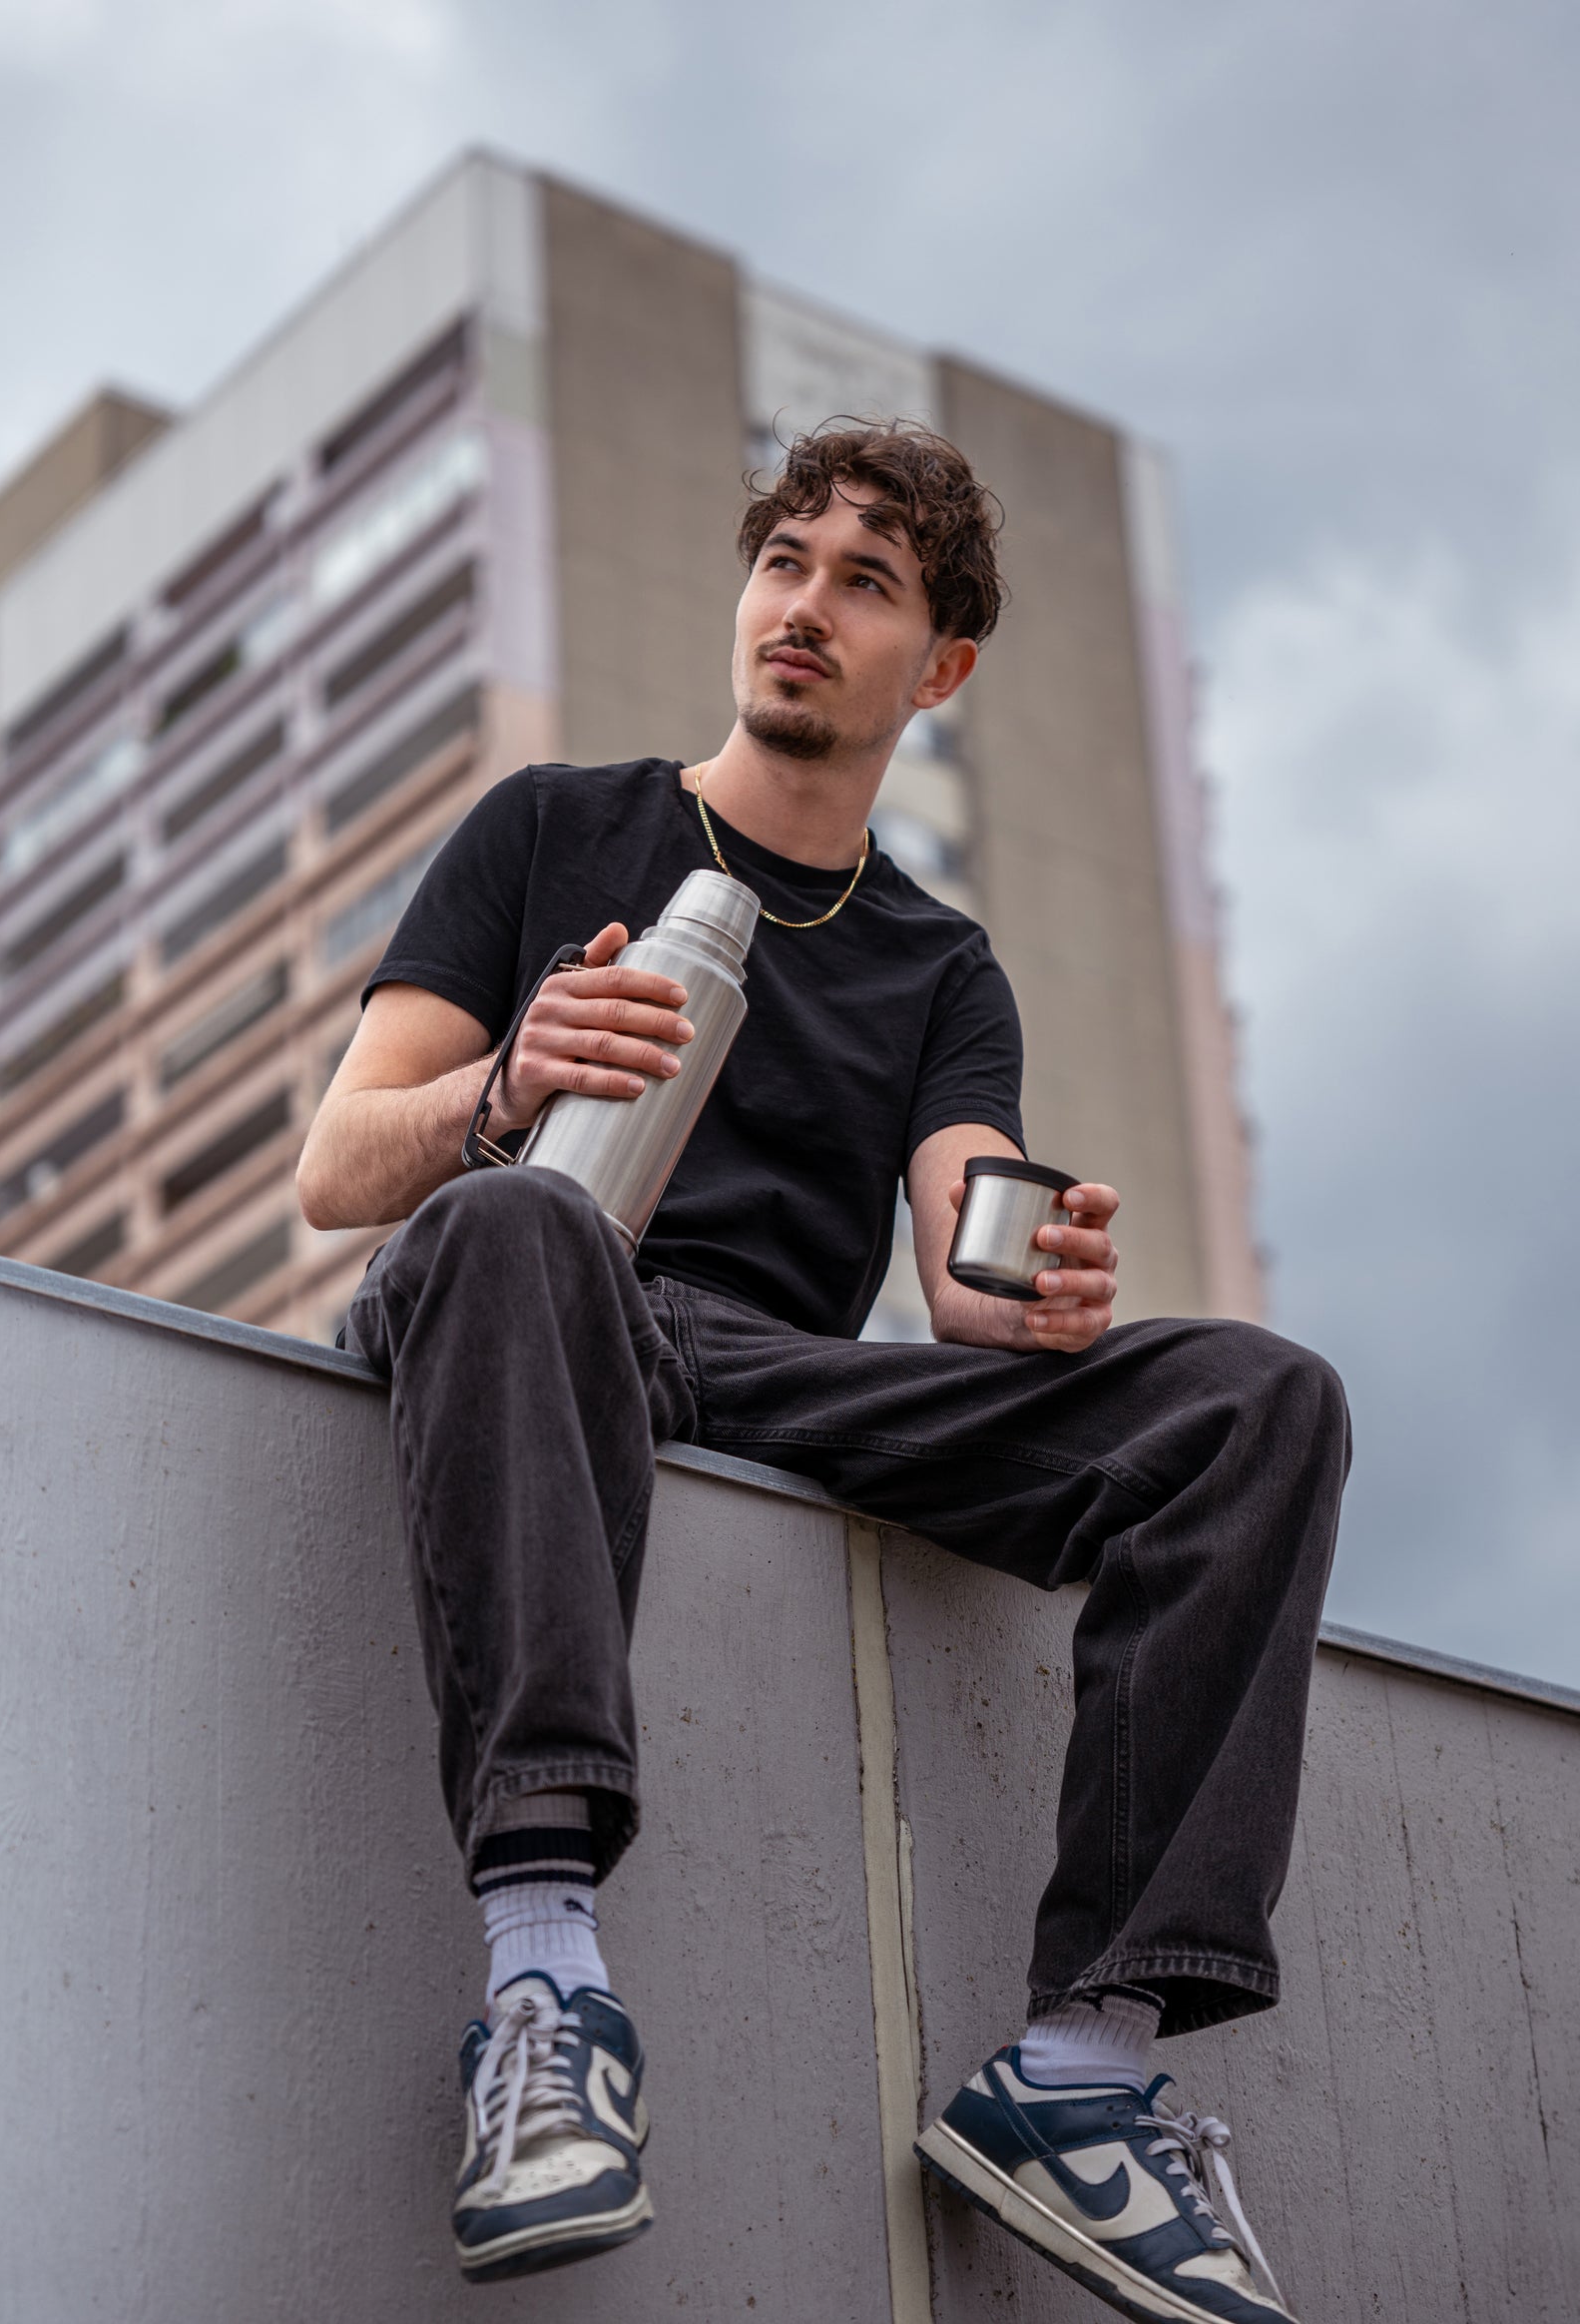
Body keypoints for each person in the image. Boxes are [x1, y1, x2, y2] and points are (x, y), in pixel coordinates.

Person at [295, 422, 1347, 2320]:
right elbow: (334, 1167)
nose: (806, 606)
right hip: (526, 1277)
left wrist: (1036, 1285)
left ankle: (1085, 2073)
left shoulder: (947, 969)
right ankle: (548, 1983)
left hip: (769, 1366)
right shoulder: (553, 827)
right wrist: (517, 1085)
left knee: (1260, 1401)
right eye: (786, 560)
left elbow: (964, 1250)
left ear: (937, 670)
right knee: (527, 1224)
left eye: (867, 583)